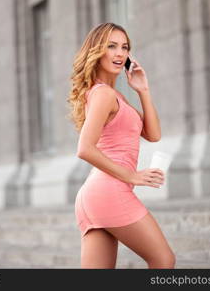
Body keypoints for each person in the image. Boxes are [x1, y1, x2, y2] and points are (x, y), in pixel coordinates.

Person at [66, 22, 176, 269]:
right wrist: (131, 176)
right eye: (111, 46)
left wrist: (143, 90)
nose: (119, 53)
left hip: (95, 196)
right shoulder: (103, 94)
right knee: (163, 259)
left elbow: (153, 134)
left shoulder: (114, 96)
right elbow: (84, 148)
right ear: (96, 50)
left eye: (125, 47)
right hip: (109, 191)